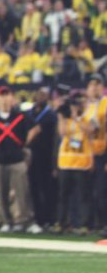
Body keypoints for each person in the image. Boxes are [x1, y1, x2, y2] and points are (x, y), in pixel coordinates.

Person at [0, 86, 43, 233]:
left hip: (17, 158)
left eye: (7, 95)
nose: (5, 99)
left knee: (22, 191)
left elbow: (36, 128)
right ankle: (6, 221)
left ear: (12, 98)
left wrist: (24, 143)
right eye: (1, 96)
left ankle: (25, 220)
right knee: (0, 192)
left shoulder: (20, 116)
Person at [55, 92, 94, 234]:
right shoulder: (66, 119)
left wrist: (77, 117)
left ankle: (84, 224)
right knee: (63, 195)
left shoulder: (87, 117)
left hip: (82, 163)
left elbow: (90, 130)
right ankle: (62, 223)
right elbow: (62, 132)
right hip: (66, 162)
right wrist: (62, 117)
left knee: (84, 195)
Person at [28, 88, 58, 228]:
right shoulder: (28, 114)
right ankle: (37, 218)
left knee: (47, 188)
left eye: (44, 95)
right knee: (33, 188)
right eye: (39, 93)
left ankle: (49, 218)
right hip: (31, 156)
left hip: (46, 157)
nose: (41, 96)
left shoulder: (51, 115)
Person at [83, 75, 107, 236]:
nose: (94, 88)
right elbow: (87, 131)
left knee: (102, 191)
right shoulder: (87, 107)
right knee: (92, 192)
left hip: (103, 153)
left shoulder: (105, 104)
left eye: (98, 85)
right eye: (92, 85)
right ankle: (95, 223)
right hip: (89, 154)